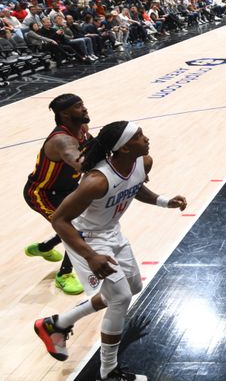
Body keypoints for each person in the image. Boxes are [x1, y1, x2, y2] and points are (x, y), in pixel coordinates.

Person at [34, 121, 187, 381]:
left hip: (112, 232)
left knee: (133, 287)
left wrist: (163, 201)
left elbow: (135, 186)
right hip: (87, 239)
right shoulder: (96, 181)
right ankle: (109, 372)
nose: (145, 138)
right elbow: (59, 220)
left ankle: (56, 324)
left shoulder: (143, 162)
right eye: (138, 136)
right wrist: (90, 256)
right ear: (125, 148)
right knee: (120, 298)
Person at [23, 94, 91, 295]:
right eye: (79, 107)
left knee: (82, 225)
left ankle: (45, 247)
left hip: (67, 189)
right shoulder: (62, 140)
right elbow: (81, 163)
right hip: (42, 193)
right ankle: (64, 274)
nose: (85, 109)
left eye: (83, 104)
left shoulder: (82, 130)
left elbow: (95, 147)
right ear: (65, 114)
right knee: (76, 231)